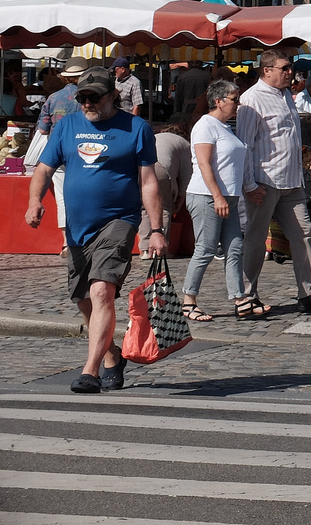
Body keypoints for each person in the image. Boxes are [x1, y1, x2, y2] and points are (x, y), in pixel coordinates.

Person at [25, 65, 166, 393]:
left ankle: (90, 371)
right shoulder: (67, 126)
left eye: (94, 98)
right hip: (78, 228)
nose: (87, 104)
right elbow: (44, 169)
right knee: (82, 297)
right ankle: (112, 354)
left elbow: (148, 181)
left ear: (113, 95)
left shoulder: (136, 128)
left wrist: (155, 229)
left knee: (102, 289)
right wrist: (35, 201)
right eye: (83, 98)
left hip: (119, 221)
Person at [240, 49, 311, 315]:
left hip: (291, 180)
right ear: (267, 70)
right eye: (285, 68)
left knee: (303, 234)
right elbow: (244, 145)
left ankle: (309, 292)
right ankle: (246, 295)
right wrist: (249, 184)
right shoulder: (251, 99)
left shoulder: (286, 97)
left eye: (291, 68)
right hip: (264, 181)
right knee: (256, 240)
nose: (291, 72)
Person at [183, 80, 259, 321]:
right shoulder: (206, 125)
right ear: (218, 101)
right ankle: (188, 301)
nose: (238, 104)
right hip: (207, 196)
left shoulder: (225, 127)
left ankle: (239, 299)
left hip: (230, 198)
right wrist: (217, 195)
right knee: (205, 249)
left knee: (235, 248)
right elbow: (204, 164)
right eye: (234, 99)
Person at [35, 56, 90, 254]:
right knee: (86, 194)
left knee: (62, 197)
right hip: (85, 151)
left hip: (57, 152)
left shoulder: (53, 98)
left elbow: (42, 129)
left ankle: (67, 241)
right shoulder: (89, 97)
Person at [141, 117, 194, 259]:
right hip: (161, 168)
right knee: (163, 208)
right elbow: (186, 174)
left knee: (146, 208)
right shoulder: (184, 144)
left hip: (142, 168)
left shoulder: (157, 136)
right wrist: (181, 199)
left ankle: (145, 249)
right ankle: (160, 250)